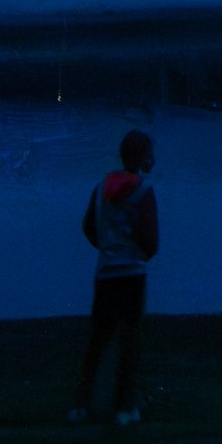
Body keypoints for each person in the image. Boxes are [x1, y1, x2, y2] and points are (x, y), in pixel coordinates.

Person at [73, 128, 158, 424]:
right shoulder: (144, 191)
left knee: (98, 339)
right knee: (129, 339)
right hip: (132, 273)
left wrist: (108, 249)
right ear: (143, 157)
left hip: (105, 272)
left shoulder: (101, 188)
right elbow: (151, 240)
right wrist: (135, 254)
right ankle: (124, 407)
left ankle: (81, 404)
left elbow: (88, 226)